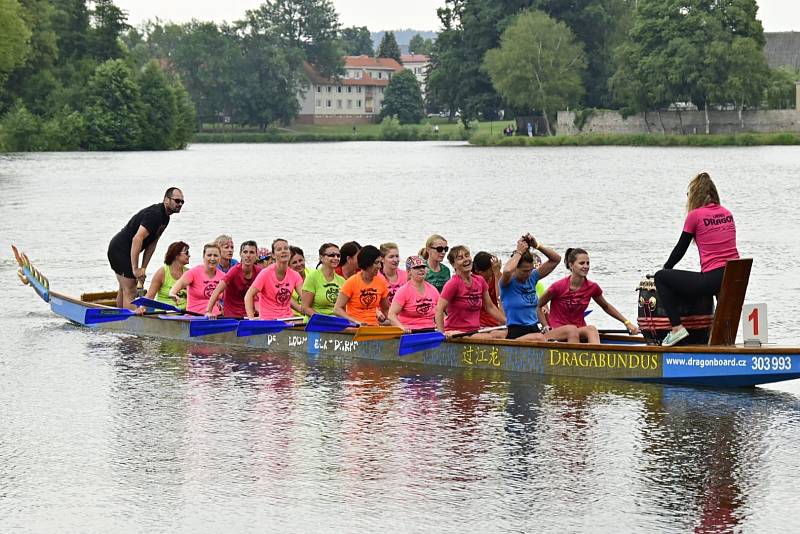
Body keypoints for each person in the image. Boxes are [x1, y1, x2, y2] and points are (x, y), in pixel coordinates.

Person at [655, 172, 739, 346]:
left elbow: (681, 248)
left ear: (694, 196)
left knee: (661, 278)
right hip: (733, 277)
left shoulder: (695, 216)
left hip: (712, 280)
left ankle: (677, 328)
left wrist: (666, 268)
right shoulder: (727, 213)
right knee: (703, 279)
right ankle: (721, 339)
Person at [538, 248, 639, 344]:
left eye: (588, 263)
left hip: (578, 328)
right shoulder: (558, 287)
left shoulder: (592, 287)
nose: (586, 266)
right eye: (581, 263)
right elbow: (537, 305)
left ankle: (597, 358)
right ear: (571, 265)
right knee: (571, 329)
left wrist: (627, 322)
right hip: (557, 330)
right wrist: (545, 326)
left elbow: (606, 306)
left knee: (591, 329)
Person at [107, 187, 184, 309]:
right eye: (177, 200)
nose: (179, 204)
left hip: (128, 252)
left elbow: (152, 243)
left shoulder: (165, 218)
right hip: (119, 250)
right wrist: (135, 268)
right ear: (166, 200)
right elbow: (137, 239)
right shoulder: (155, 214)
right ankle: (129, 325)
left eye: (182, 202)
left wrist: (143, 268)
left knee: (124, 288)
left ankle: (119, 321)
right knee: (131, 289)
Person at [499, 234, 568, 341]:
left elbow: (556, 259)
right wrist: (519, 252)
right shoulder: (507, 282)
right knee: (539, 337)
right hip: (515, 333)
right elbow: (507, 270)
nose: (528, 274)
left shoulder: (533, 277)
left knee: (570, 330)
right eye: (525, 271)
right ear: (515, 268)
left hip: (534, 330)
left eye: (531, 270)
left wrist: (537, 245)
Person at [435, 245, 506, 339]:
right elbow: (439, 309)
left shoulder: (480, 281)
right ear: (453, 264)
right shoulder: (453, 283)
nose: (466, 259)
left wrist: (508, 322)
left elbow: (490, 307)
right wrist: (441, 334)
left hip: (475, 330)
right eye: (460, 258)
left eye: (467, 255)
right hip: (456, 332)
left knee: (504, 334)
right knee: (492, 337)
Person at [245, 239, 304, 320]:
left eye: (286, 248)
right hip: (269, 321)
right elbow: (248, 296)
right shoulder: (265, 273)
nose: (283, 251)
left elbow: (305, 298)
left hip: (288, 319)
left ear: (289, 253)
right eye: (279, 249)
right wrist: (251, 320)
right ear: (273, 255)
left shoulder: (295, 275)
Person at [333, 245, 390, 326]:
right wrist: (355, 321)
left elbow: (386, 309)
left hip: (374, 326)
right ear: (367, 263)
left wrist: (398, 323)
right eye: (376, 263)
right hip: (355, 327)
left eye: (380, 263)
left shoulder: (381, 282)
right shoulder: (351, 282)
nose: (380, 266)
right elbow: (337, 309)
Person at [205, 240, 261, 318]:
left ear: (256, 255)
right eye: (245, 252)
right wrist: (208, 311)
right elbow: (217, 291)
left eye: (251, 252)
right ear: (240, 254)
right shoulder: (234, 271)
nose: (248, 255)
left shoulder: (259, 271)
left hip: (249, 314)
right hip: (232, 316)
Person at [168, 242, 224, 315]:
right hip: (194, 317)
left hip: (216, 317)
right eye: (209, 255)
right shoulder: (194, 272)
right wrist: (172, 293)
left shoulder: (223, 276)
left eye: (216, 255)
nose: (212, 258)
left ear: (220, 258)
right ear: (203, 256)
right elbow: (179, 284)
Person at [388, 256, 439, 330]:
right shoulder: (403, 291)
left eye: (423, 267)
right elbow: (391, 315)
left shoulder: (433, 290)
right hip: (410, 331)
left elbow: (441, 313)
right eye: (417, 267)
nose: (421, 269)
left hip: (431, 329)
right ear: (409, 272)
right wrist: (401, 328)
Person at [138, 241, 190, 311]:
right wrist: (141, 308)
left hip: (184, 313)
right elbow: (150, 296)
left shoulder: (189, 273)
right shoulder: (162, 272)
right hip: (164, 313)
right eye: (186, 253)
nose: (189, 255)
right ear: (176, 255)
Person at [301, 243, 346, 317]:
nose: (336, 258)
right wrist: (323, 319)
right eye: (331, 255)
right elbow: (305, 308)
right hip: (317, 322)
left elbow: (343, 309)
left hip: (336, 322)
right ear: (321, 258)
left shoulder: (342, 280)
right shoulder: (312, 277)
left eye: (338, 255)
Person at [472, 251, 503, 328]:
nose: (493, 271)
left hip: (497, 319)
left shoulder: (496, 275)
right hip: (481, 322)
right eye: (491, 269)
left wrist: (497, 274)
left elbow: (500, 297)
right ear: (478, 271)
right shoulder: (472, 280)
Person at [289, 245, 311, 318]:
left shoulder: (312, 274)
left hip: (312, 312)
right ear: (288, 265)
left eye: (300, 260)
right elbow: (288, 300)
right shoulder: (286, 279)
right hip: (294, 315)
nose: (299, 264)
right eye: (294, 262)